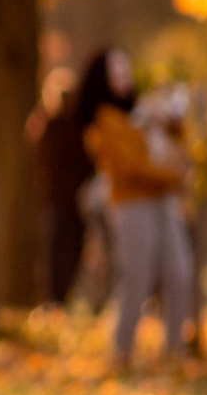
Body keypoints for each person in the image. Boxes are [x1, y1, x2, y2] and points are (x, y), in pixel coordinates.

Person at [77, 46, 194, 366]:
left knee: (179, 273)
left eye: (126, 69)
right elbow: (131, 167)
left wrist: (169, 122)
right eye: (116, 71)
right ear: (102, 78)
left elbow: (176, 142)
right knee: (137, 278)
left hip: (162, 202)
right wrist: (175, 177)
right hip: (132, 206)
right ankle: (122, 349)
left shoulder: (138, 112)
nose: (124, 76)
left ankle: (175, 349)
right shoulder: (106, 119)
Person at [27, 66, 92, 307]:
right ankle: (53, 297)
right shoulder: (47, 126)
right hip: (55, 197)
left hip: (75, 198)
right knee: (54, 248)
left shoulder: (77, 126)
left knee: (73, 247)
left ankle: (62, 295)